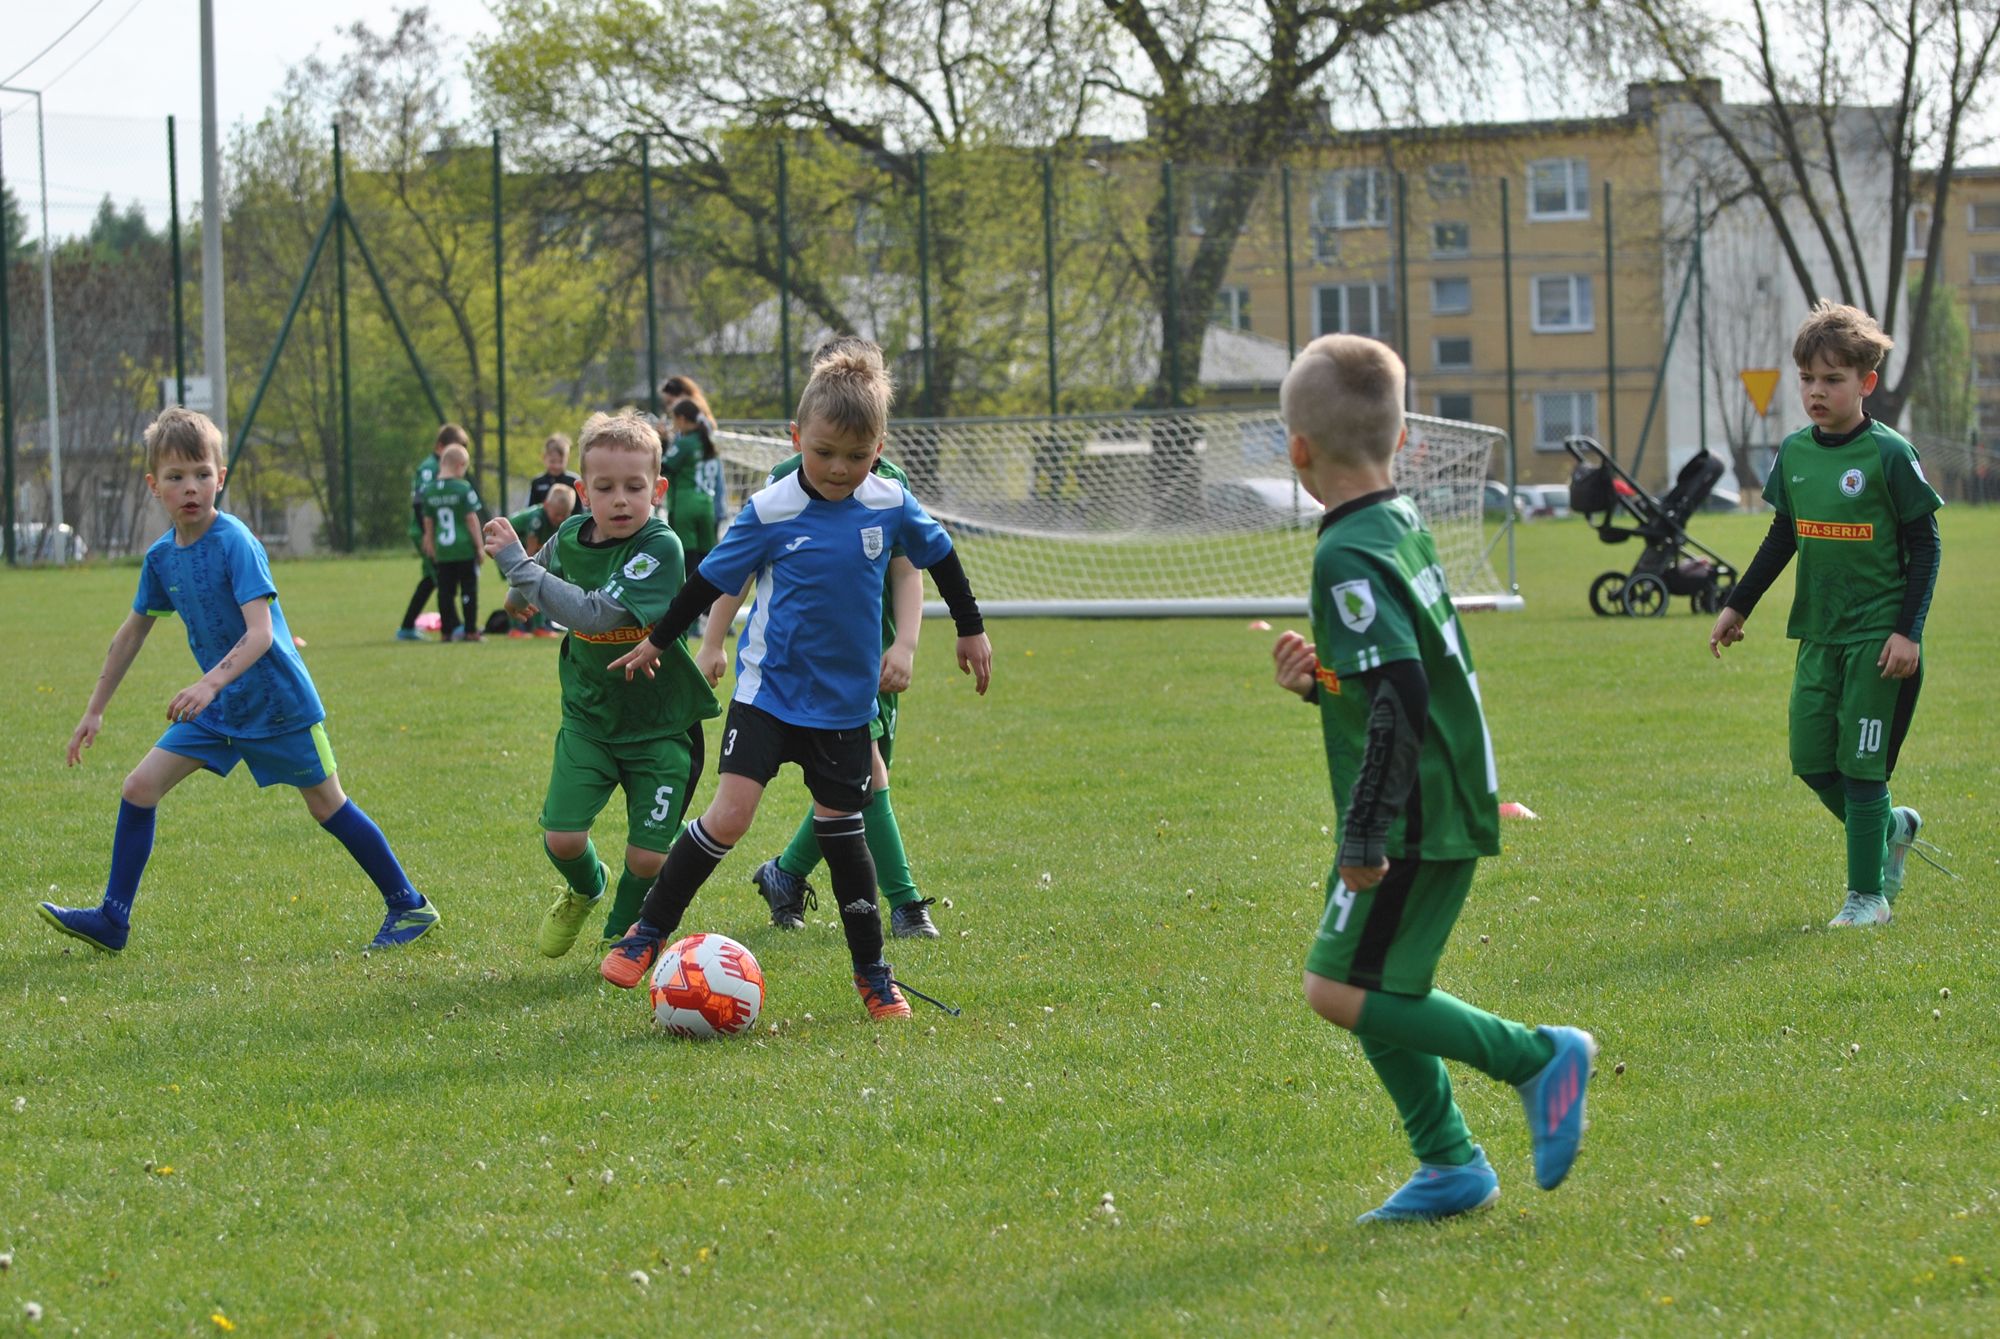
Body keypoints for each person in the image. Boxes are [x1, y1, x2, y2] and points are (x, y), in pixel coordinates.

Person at [1271, 334, 1593, 1224]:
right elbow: (1392, 677)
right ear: (1404, 434)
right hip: (1436, 789)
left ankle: (1536, 1060)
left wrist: (1365, 830)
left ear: (1297, 448)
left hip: (1411, 806)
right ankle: (1449, 1162)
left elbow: (1405, 692)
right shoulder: (1396, 521)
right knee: (1363, 979)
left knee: (1340, 988)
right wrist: (1320, 684)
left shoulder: (1345, 551)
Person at [598, 342, 992, 1020]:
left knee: (845, 833)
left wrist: (970, 627)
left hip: (844, 707)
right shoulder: (771, 507)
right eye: (824, 452)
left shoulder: (890, 502)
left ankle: (873, 974)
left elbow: (941, 558)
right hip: (768, 694)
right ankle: (647, 933)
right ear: (795, 438)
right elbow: (712, 580)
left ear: (880, 446)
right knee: (731, 813)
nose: (840, 469)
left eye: (857, 455)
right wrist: (660, 641)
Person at [39, 408, 439, 954]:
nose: (191, 488)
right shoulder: (160, 560)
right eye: (176, 477)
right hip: (223, 709)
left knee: (327, 805)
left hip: (277, 703)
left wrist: (207, 685)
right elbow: (132, 632)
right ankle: (113, 920)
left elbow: (260, 634)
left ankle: (409, 903)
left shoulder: (236, 542)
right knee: (138, 788)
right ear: (154, 486)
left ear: (220, 478)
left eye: (202, 474)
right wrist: (94, 709)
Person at [1709, 301, 1944, 928]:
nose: (1817, 391)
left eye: (1832, 379)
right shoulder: (1794, 454)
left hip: (1877, 639)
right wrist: (1737, 604)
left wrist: (1907, 632)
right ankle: (1893, 827)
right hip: (1818, 634)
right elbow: (1782, 535)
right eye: (1808, 379)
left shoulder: (1889, 454)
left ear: (1865, 383)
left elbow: (1927, 544)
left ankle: (1867, 898)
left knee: (1861, 768)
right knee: (1813, 763)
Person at [720, 340, 939, 939]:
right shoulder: (785, 485)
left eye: (857, 449)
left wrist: (906, 646)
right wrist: (715, 637)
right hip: (810, 668)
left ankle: (786, 873)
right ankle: (906, 904)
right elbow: (739, 567)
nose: (841, 464)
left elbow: (907, 569)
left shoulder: (888, 484)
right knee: (869, 778)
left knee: (855, 790)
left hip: (875, 658)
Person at [483, 410, 720, 958]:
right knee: (562, 838)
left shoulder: (660, 547)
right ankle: (587, 888)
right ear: (582, 492)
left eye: (634, 488)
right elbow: (548, 561)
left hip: (660, 725)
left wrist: (519, 570)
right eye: (605, 487)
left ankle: (625, 934)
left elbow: (596, 614)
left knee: (649, 857)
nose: (620, 500)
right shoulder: (572, 531)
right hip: (590, 716)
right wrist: (518, 599)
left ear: (657, 489)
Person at [396, 423, 468, 640]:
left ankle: (407, 627)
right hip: (426, 532)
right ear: (440, 447)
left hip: (437, 533)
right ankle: (454, 625)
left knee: (431, 577)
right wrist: (429, 535)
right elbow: (420, 503)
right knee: (441, 577)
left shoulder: (442, 467)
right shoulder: (429, 468)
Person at [421, 443, 485, 642]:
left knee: (445, 592)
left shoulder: (429, 491)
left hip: (443, 549)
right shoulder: (463, 488)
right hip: (463, 548)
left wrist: (429, 542)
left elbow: (428, 521)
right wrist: (479, 546)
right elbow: (471, 519)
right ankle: (470, 630)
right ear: (460, 465)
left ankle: (446, 632)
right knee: (469, 589)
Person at [503, 484, 575, 638]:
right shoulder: (537, 519)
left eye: (565, 515)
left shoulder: (558, 523)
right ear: (546, 505)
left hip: (529, 552)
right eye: (557, 514)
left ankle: (539, 626)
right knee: (526, 584)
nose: (560, 519)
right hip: (507, 550)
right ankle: (515, 628)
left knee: (539, 583)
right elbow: (529, 554)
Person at [660, 398, 718, 583]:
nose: (674, 425)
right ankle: (709, 605)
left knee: (688, 557)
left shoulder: (685, 443)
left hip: (686, 505)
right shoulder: (707, 441)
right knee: (707, 555)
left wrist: (662, 442)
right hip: (707, 504)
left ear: (682, 419)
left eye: (674, 419)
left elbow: (664, 467)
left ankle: (691, 605)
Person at [527, 433, 582, 509]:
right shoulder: (537, 483)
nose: (557, 466)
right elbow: (531, 509)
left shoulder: (573, 481)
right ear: (544, 458)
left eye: (561, 461)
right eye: (552, 461)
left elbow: (581, 510)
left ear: (567, 459)